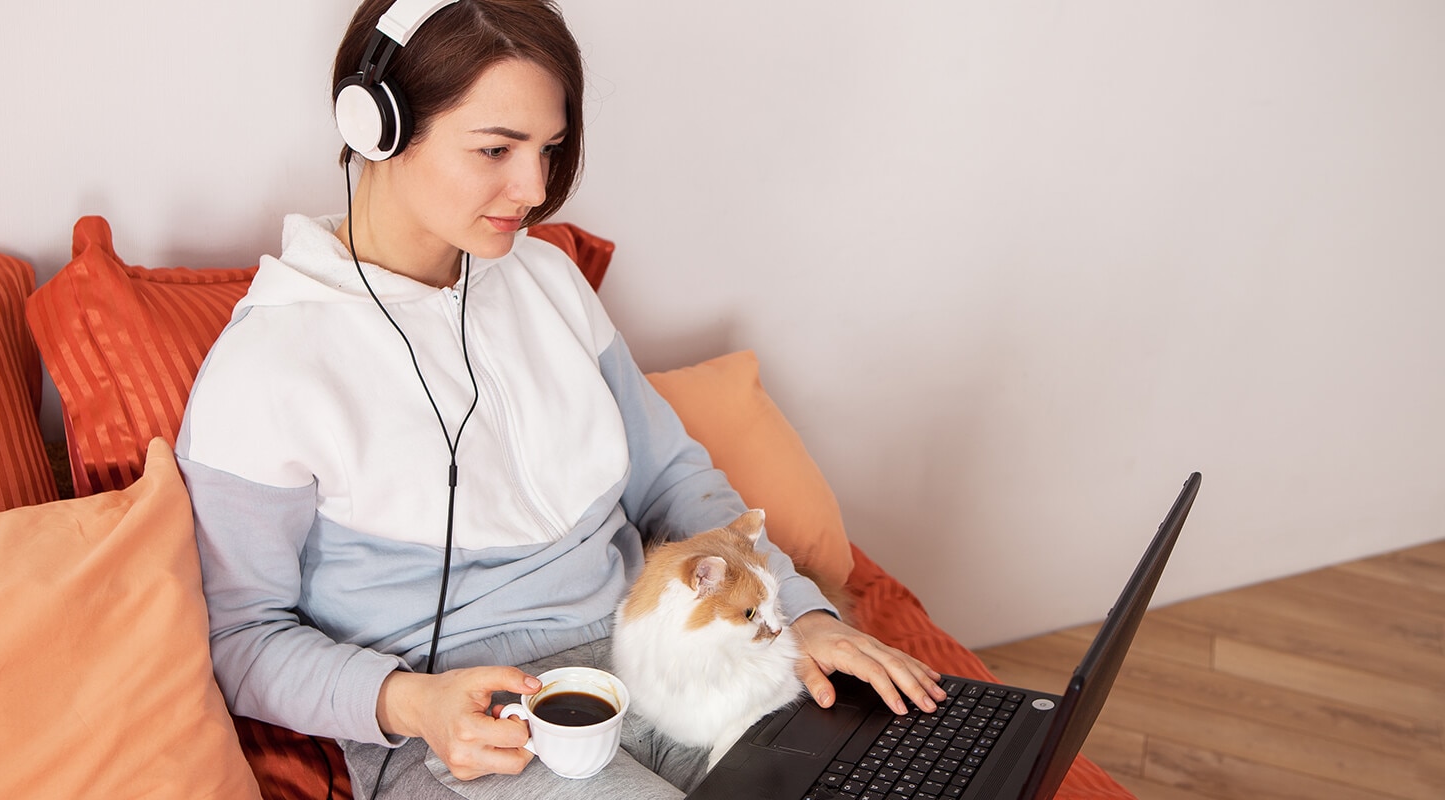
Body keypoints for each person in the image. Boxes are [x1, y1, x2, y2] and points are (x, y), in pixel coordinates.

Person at [176, 1, 947, 797]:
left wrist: (801, 613)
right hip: (480, 726)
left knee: (905, 770)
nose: (534, 188)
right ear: (377, 126)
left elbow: (671, 482)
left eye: (547, 148)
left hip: (663, 653)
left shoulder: (546, 279)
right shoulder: (265, 368)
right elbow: (240, 636)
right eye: (496, 149)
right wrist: (411, 702)